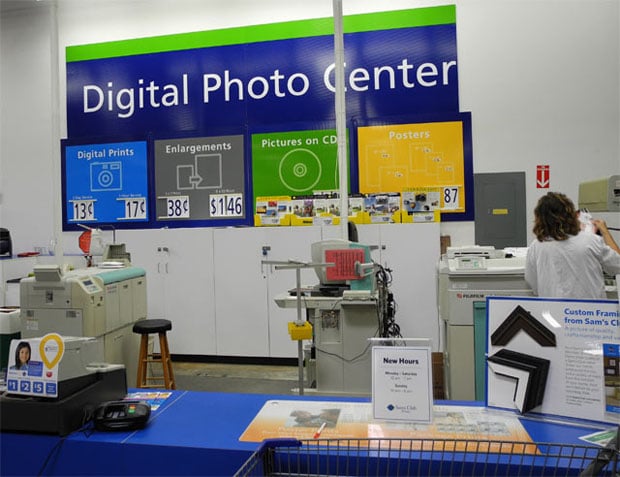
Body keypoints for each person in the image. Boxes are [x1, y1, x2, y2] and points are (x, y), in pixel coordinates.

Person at [525, 191, 620, 299]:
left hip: (552, 311)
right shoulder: (590, 241)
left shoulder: (536, 245)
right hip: (590, 312)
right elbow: (617, 266)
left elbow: (532, 282)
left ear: (539, 218)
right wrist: (605, 231)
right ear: (571, 214)